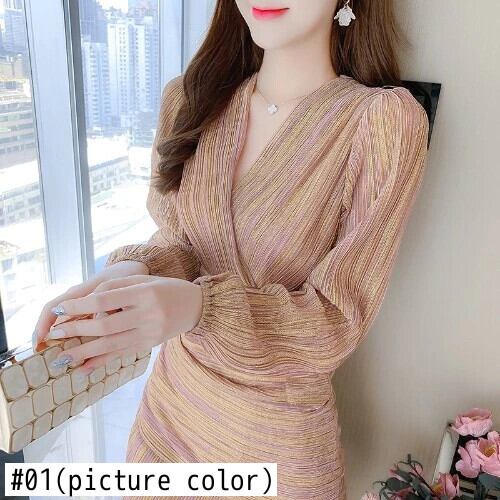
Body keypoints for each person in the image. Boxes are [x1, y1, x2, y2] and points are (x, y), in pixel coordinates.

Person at [33, 0, 430, 497]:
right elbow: (183, 242)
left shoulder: (382, 123)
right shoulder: (190, 99)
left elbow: (336, 318)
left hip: (275, 450)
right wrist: (133, 272)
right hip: (168, 419)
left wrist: (201, 307)